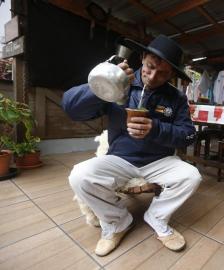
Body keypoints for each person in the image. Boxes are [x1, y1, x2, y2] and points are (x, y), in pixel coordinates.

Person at [62, 35, 201, 256]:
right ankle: (117, 222)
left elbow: (188, 136)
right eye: (150, 67)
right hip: (120, 159)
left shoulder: (176, 98)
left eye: (163, 73)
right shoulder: (119, 83)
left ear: (172, 74)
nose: (153, 76)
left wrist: (156, 129)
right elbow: (71, 108)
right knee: (79, 175)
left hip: (160, 161)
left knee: (191, 176)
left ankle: (156, 218)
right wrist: (104, 83)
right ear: (143, 58)